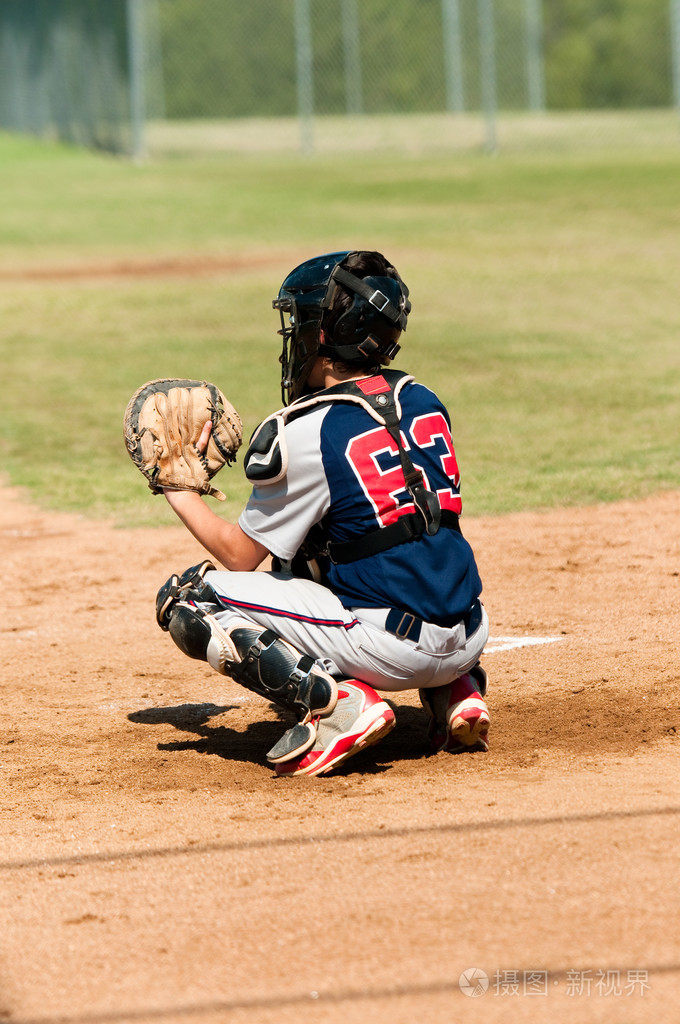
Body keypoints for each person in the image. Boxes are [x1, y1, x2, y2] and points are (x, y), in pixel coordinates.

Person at [156, 250, 490, 777]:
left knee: (192, 600)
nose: (295, 336)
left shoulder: (306, 430)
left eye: (302, 321)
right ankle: (456, 690)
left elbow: (238, 557)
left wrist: (175, 487)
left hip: (393, 648)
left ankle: (340, 707)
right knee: (361, 542)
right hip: (469, 632)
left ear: (329, 336)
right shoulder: (423, 398)